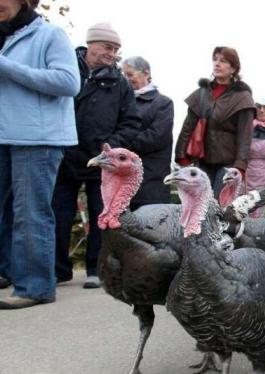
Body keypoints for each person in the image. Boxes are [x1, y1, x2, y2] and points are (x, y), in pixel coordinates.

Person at [0, 0, 80, 309]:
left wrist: (6, 66)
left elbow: (68, 82)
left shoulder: (50, 35)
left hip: (37, 139)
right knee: (6, 214)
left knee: (30, 213)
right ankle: (7, 273)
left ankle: (35, 286)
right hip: (5, 135)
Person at [52, 22, 140, 290]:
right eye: (107, 47)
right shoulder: (66, 69)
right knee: (57, 214)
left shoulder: (120, 84)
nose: (111, 54)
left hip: (101, 160)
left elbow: (131, 122)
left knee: (101, 213)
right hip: (63, 153)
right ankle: (58, 269)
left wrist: (111, 147)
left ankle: (96, 268)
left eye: (115, 49)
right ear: (90, 44)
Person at [174, 46, 255, 197]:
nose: (217, 64)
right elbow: (188, 127)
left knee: (218, 206)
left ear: (233, 69)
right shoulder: (202, 93)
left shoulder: (242, 97)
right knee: (198, 204)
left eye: (223, 61)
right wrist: (182, 156)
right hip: (202, 161)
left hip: (228, 163)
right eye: (215, 60)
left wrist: (240, 167)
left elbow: (245, 136)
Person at [121, 56, 174, 209]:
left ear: (146, 73)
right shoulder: (122, 101)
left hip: (151, 179)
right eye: (124, 75)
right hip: (123, 178)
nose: (126, 79)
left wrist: (122, 143)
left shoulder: (163, 103)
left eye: (130, 75)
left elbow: (156, 136)